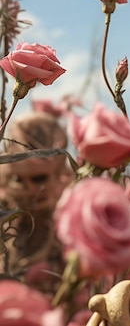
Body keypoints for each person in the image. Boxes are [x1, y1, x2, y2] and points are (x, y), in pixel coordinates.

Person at [0, 112, 73, 291]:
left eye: (39, 179)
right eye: (18, 179)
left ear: (59, 175)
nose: (29, 189)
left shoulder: (71, 224)